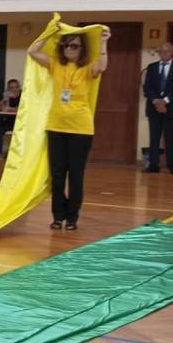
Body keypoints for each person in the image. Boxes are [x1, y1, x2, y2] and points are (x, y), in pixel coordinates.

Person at [29, 27, 111, 230]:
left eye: (74, 46)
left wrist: (103, 42)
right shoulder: (56, 64)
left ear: (82, 49)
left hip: (80, 129)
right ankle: (58, 216)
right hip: (56, 127)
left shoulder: (87, 68)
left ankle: (72, 217)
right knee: (57, 175)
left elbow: (102, 65)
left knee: (76, 176)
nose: (69, 49)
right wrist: (49, 33)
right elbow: (33, 51)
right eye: (65, 45)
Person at [142, 43, 173, 175]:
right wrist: (155, 100)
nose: (163, 54)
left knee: (171, 138)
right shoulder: (152, 67)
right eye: (161, 52)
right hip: (153, 107)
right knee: (154, 137)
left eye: (166, 51)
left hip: (171, 108)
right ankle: (153, 165)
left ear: (172, 52)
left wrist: (165, 101)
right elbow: (147, 87)